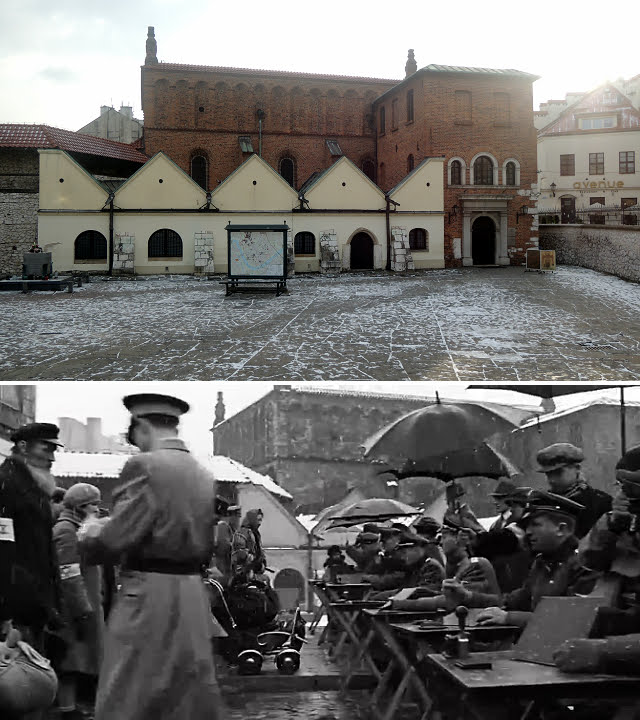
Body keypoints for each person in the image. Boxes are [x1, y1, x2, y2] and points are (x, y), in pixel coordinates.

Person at [77, 393, 222, 720]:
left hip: (149, 597)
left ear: (140, 425)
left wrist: (89, 530)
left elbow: (115, 539)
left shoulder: (145, 465)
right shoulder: (202, 472)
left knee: (128, 694)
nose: (137, 447)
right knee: (186, 696)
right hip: (191, 595)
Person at [446, 490, 599, 628]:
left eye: (536, 525)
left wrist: (509, 618)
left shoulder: (584, 566)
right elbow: (512, 601)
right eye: (527, 526)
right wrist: (468, 596)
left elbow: (569, 621)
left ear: (562, 529)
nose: (528, 532)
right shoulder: (542, 563)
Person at [0, 423, 64, 655]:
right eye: (46, 449)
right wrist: (5, 613)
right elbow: (3, 550)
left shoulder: (30, 486)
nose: (52, 457)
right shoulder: (6, 483)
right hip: (17, 609)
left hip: (34, 604)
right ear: (23, 447)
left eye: (54, 450)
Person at [53, 483, 105, 720]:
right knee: (71, 661)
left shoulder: (81, 526)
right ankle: (67, 709)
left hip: (88, 601)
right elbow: (68, 573)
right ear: (80, 506)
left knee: (83, 657)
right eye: (93, 504)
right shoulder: (66, 530)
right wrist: (82, 609)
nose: (98, 508)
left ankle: (76, 706)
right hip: (74, 606)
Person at [384, 515, 498, 612]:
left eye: (444, 536)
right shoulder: (457, 567)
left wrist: (401, 604)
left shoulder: (476, 565)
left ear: (460, 537)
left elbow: (452, 601)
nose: (441, 542)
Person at [536, 443, 612, 539]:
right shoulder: (541, 502)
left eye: (558, 473)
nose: (552, 480)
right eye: (548, 474)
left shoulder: (600, 502)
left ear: (577, 468)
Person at [213, 505, 241, 586]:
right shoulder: (222, 526)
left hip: (224, 566)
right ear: (230, 516)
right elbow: (223, 547)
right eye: (237, 516)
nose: (238, 519)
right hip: (221, 566)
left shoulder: (229, 528)